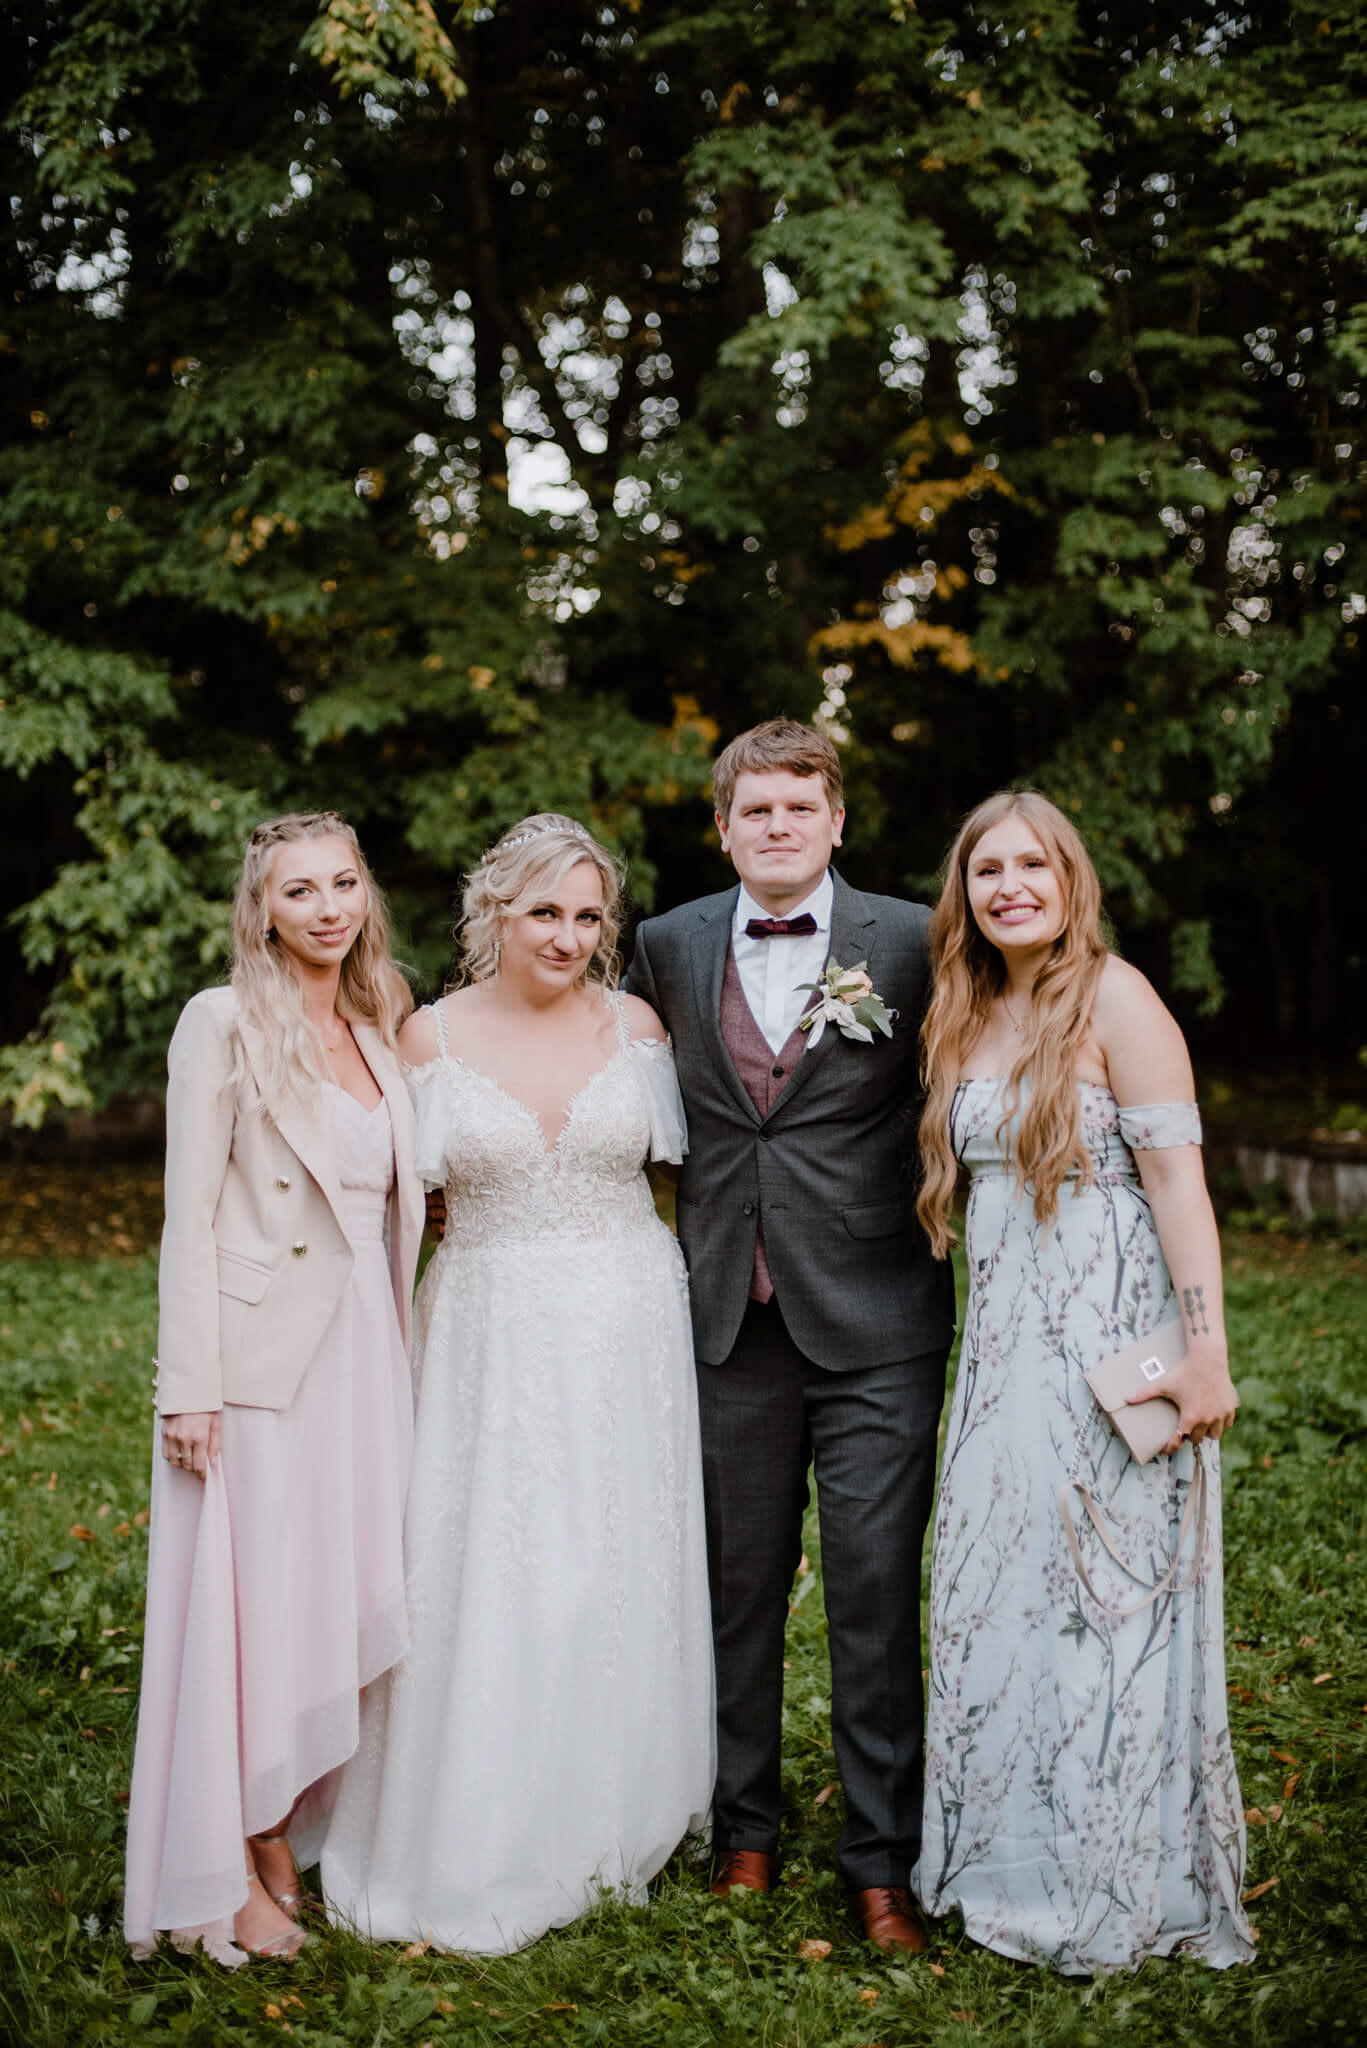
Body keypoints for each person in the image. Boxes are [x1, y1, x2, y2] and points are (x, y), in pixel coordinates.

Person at [321, 814, 713, 1954]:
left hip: (627, 1321)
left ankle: (616, 1802)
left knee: (614, 1557)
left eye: (589, 916)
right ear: (492, 909)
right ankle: (470, 1807)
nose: (567, 935)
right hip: (485, 1325)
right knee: (486, 1553)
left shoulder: (636, 1025)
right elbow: (386, 1190)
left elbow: (676, 1173)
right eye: (544, 910)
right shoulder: (426, 1036)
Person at [626, 719, 955, 1953]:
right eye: (753, 809)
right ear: (722, 827)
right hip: (724, 1320)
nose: (775, 825)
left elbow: (969, 1083)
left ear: (835, 820)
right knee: (734, 1591)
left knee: (873, 1596)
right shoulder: (665, 944)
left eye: (797, 806)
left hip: (877, 1319)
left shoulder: (913, 939)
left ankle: (880, 1861)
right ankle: (744, 1833)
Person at [911, 789, 1254, 1974]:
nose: (1008, 886)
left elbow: (1176, 1183)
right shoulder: (964, 1010)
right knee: (997, 1596)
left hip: (1107, 1351)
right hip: (1000, 1358)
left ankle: (1114, 1873)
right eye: (986, 869)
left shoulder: (1116, 997)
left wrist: (1202, 1349)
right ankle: (1006, 1859)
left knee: (1103, 1603)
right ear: (964, 891)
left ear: (1068, 881)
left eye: (1030, 866)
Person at [124, 812, 423, 1967]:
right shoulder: (222, 1020)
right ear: (261, 910)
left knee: (333, 1582)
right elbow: (188, 1213)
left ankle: (292, 1817)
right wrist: (188, 1386)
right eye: (298, 890)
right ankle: (237, 1851)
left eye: (343, 882)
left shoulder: (380, 1020)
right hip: (259, 1358)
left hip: (370, 1351)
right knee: (259, 1597)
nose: (327, 907)